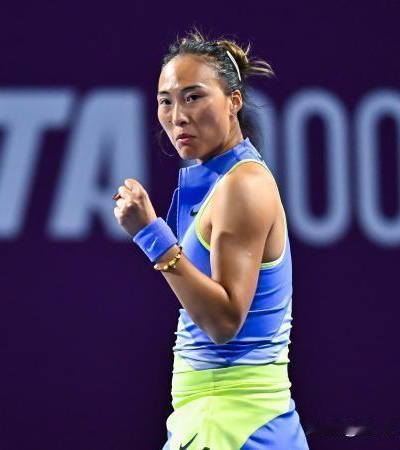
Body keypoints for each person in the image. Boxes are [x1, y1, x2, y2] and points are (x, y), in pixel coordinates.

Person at [112, 29, 309, 450]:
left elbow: (224, 322)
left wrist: (151, 235)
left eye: (194, 97)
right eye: (166, 101)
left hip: (232, 423)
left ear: (234, 102)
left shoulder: (243, 185)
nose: (177, 116)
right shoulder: (225, 181)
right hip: (220, 419)